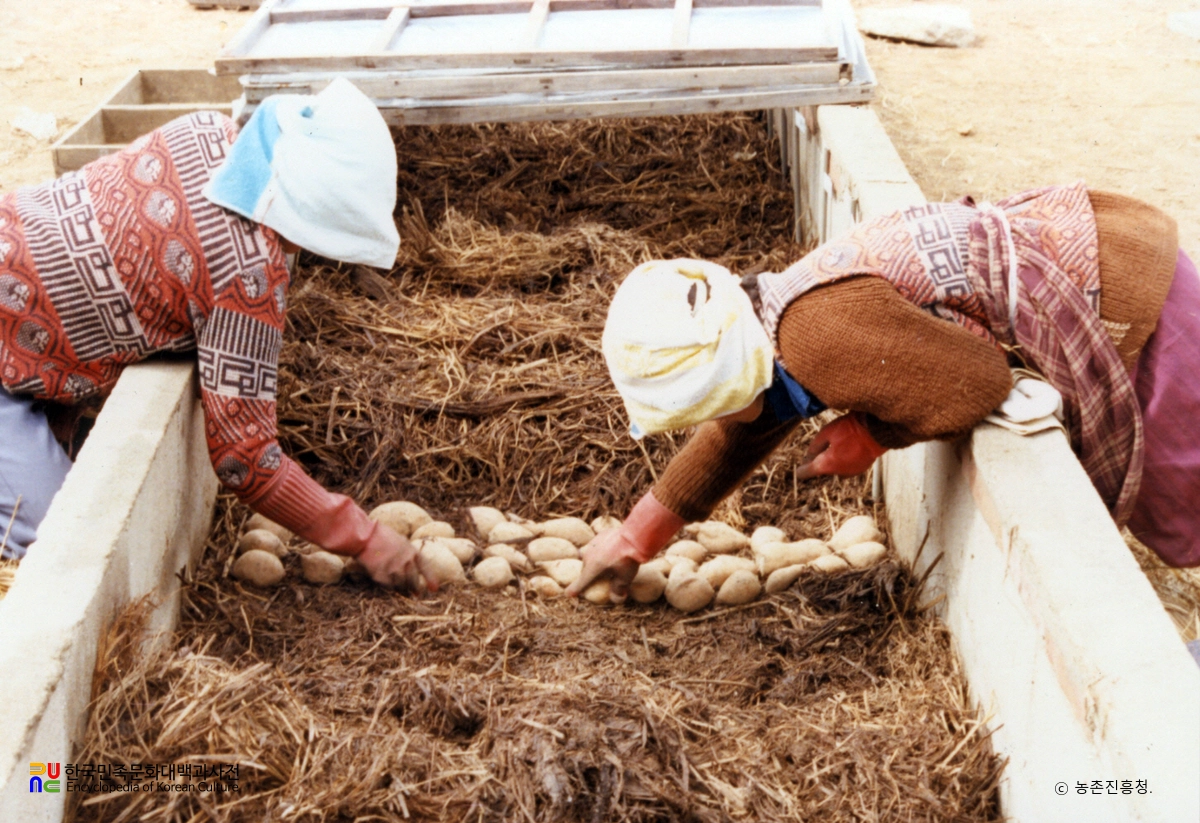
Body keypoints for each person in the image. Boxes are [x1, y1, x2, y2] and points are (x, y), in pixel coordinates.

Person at [566, 183, 1198, 600]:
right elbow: (743, 429)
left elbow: (977, 381)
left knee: (1188, 492)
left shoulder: (816, 336)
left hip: (1136, 307)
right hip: (1101, 252)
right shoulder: (778, 316)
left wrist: (871, 437)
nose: (718, 418)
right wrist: (638, 534)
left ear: (724, 384)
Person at [0, 78, 433, 590]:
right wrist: (364, 538)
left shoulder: (208, 132)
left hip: (20, 297)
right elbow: (244, 461)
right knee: (50, 540)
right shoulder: (246, 272)